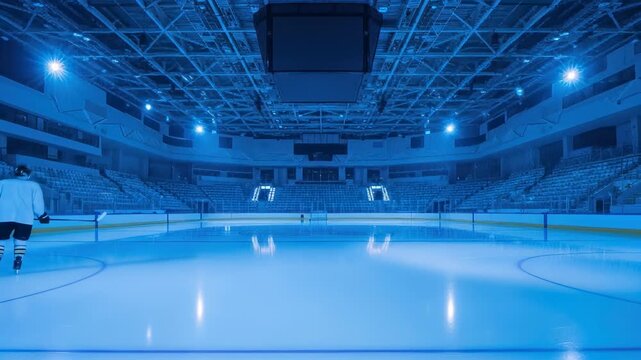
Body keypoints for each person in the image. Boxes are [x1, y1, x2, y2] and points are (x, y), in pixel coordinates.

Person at [0, 165, 50, 273]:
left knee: (0, 240)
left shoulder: (3, 183)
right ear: (28, 174)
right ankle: (18, 262)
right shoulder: (34, 186)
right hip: (25, 219)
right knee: (20, 240)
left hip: (3, 217)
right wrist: (42, 216)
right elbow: (38, 205)